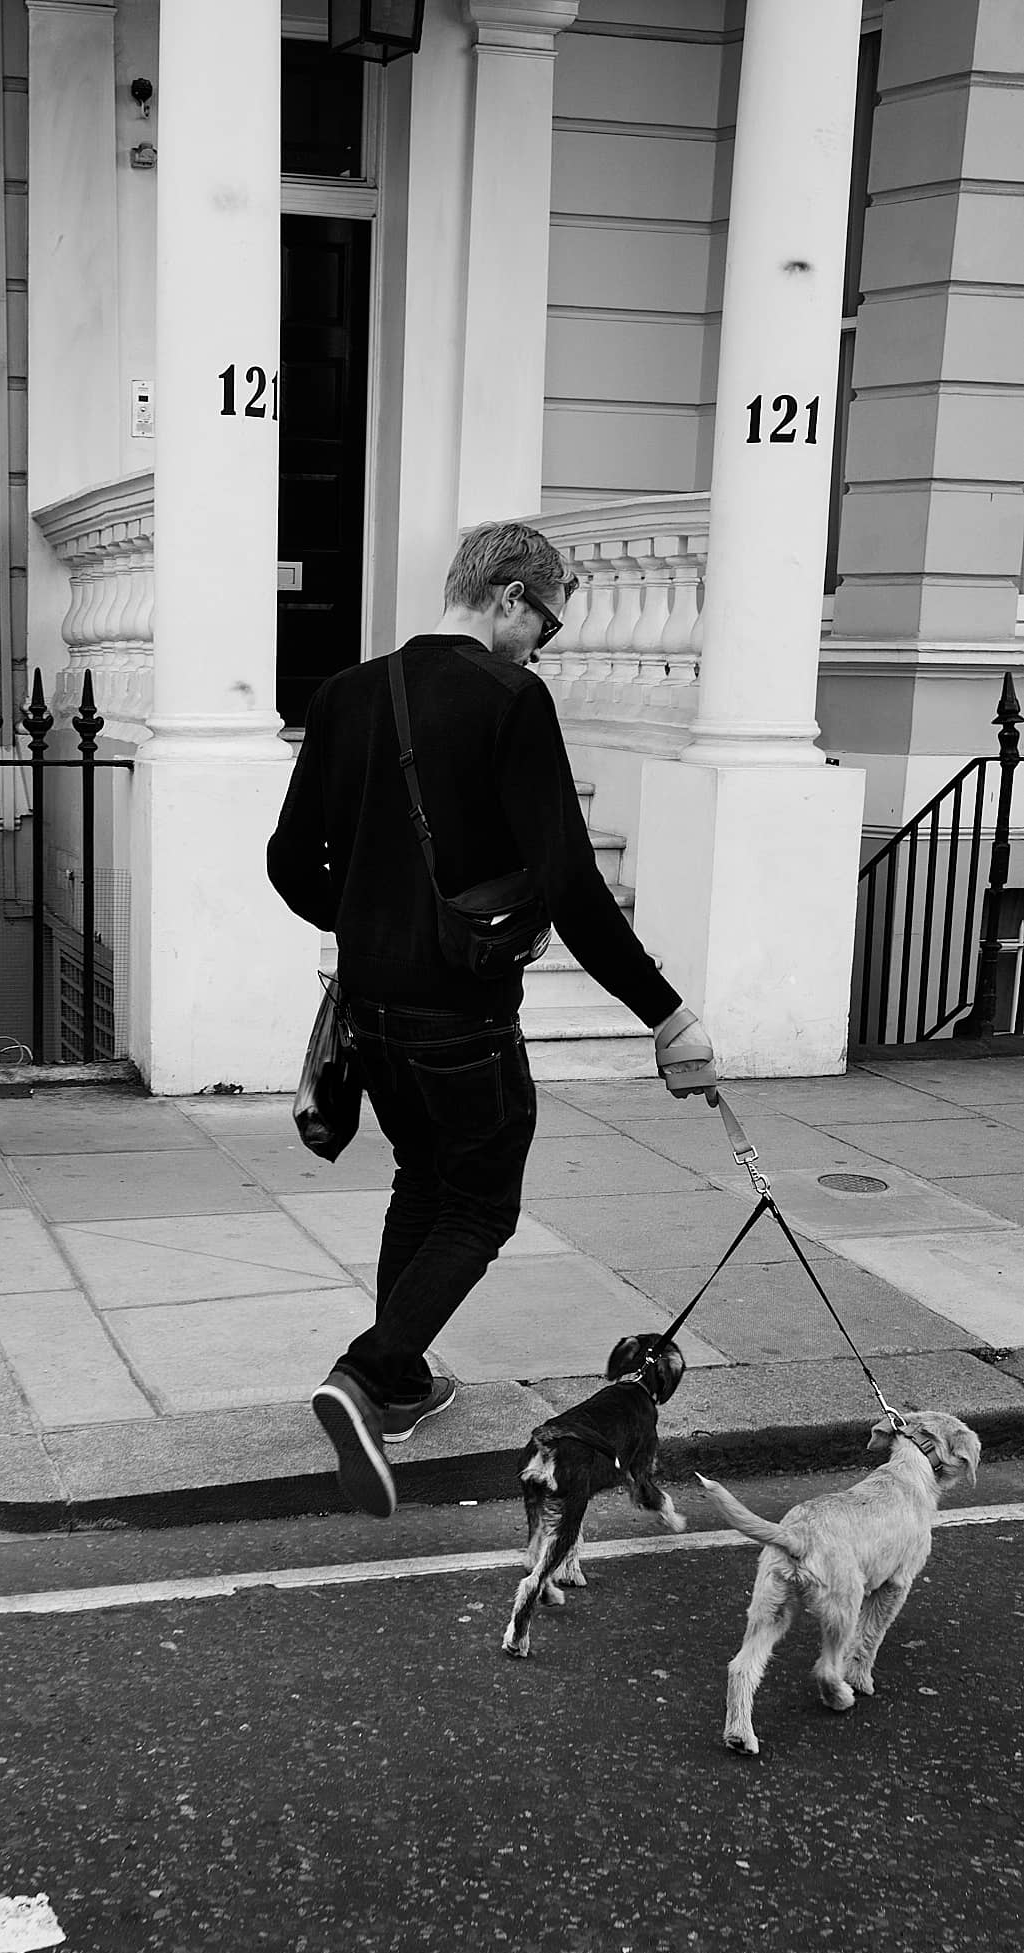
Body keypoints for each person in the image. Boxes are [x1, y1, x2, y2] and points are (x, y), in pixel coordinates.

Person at [266, 519, 720, 1520]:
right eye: (544, 625)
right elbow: (568, 879)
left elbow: (292, 862)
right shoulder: (510, 697)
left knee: (423, 1180)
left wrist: (374, 922)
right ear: (511, 597)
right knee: (480, 1202)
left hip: (368, 1014)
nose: (541, 647)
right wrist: (666, 1011)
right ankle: (364, 1369)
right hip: (463, 1013)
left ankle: (397, 1385)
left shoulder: (346, 693)